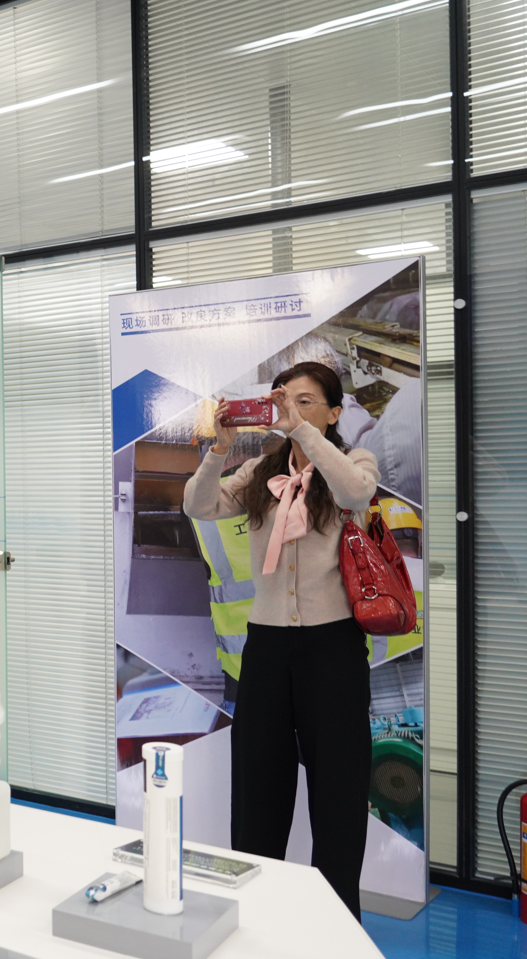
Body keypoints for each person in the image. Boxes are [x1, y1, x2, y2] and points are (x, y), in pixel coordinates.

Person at [183, 361, 380, 919]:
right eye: (282, 400)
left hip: (333, 650)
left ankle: (335, 924)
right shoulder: (259, 471)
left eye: (306, 400)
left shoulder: (354, 460)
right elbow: (198, 505)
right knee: (258, 790)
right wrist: (219, 449)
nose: (290, 408)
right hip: (266, 650)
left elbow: (356, 493)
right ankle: (257, 917)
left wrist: (303, 433)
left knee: (338, 794)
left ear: (335, 412)